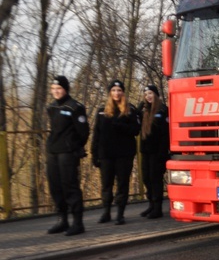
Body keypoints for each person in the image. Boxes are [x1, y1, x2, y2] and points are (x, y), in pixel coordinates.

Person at [92, 80, 141, 225]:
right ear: (109, 93)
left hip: (124, 154)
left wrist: (121, 125)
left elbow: (136, 130)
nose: (116, 93)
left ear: (123, 92)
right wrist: (94, 154)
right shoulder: (102, 110)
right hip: (106, 154)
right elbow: (96, 134)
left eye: (119, 90)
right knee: (106, 184)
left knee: (122, 184)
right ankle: (106, 212)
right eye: (113, 90)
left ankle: (120, 214)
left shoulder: (130, 109)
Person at [46, 76, 90, 236]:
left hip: (68, 153)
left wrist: (75, 147)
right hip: (53, 152)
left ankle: (78, 223)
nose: (56, 92)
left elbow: (83, 132)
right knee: (55, 187)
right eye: (53, 89)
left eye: (59, 88)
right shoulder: (51, 107)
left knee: (70, 187)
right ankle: (62, 220)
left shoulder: (75, 107)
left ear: (65, 89)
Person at [138, 85, 170, 219]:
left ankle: (157, 208)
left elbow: (165, 134)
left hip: (157, 152)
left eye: (150, 93)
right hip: (146, 151)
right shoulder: (145, 110)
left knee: (155, 179)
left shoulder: (162, 110)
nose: (148, 96)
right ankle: (151, 204)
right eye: (146, 94)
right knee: (146, 178)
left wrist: (163, 153)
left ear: (156, 95)